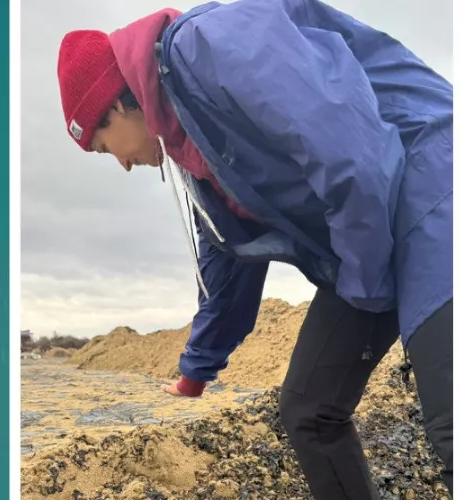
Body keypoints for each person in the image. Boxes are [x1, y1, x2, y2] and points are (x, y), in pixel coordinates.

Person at [55, 0, 452, 498]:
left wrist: (366, 283)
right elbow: (226, 258)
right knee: (309, 409)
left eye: (102, 147)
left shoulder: (208, 44)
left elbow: (349, 150)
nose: (121, 164)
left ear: (115, 106)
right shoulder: (190, 148)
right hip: (370, 233)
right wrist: (196, 370)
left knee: (453, 428)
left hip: (430, 179)